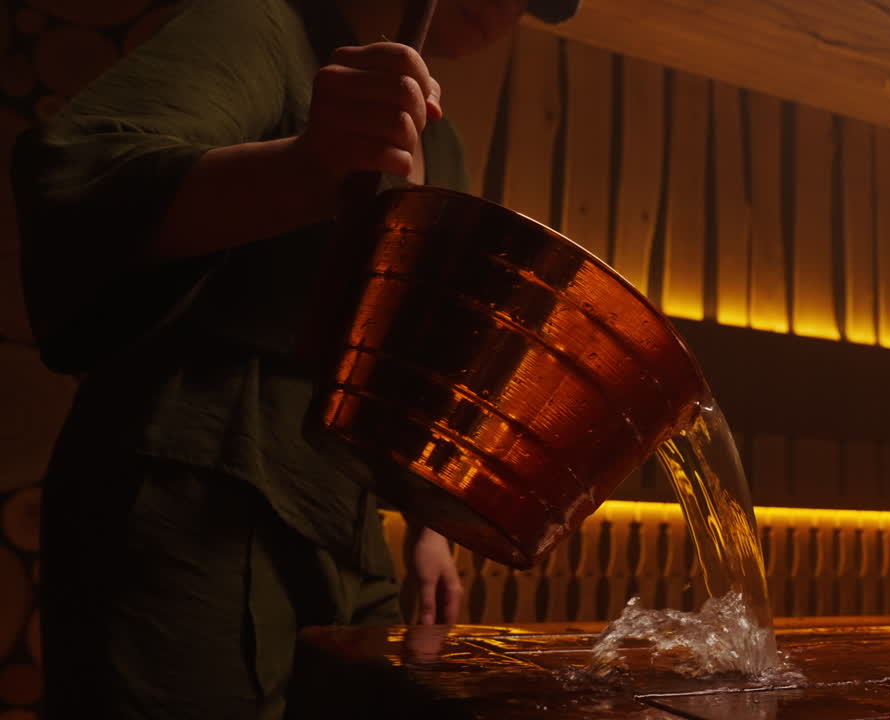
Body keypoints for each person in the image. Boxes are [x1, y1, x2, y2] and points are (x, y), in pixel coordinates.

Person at [10, 0, 578, 717]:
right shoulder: (258, 23)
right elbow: (79, 175)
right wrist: (310, 162)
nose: (506, 6)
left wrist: (430, 530)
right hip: (192, 487)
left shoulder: (445, 145)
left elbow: (411, 357)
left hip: (351, 525)